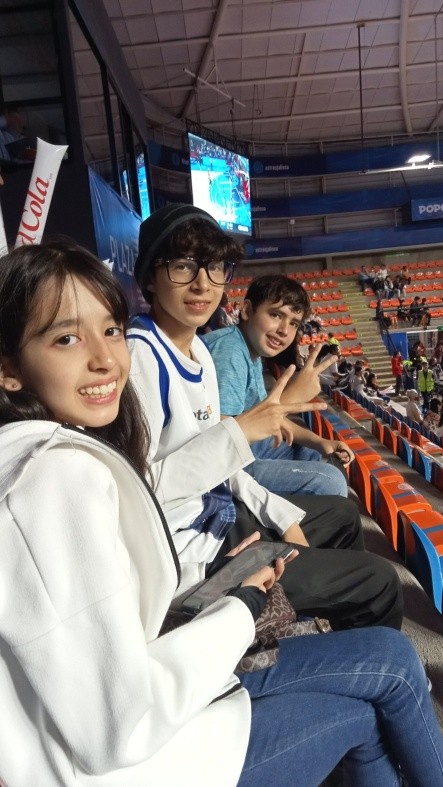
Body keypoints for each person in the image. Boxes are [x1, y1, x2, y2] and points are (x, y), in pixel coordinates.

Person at [1, 243, 442, 787]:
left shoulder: (58, 453)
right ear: (8, 368)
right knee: (389, 661)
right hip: (150, 753)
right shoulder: (55, 477)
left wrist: (227, 575)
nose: (105, 359)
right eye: (66, 338)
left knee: (379, 670)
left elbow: (115, 597)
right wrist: (240, 605)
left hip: (177, 642)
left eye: (110, 330)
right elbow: (119, 728)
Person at [128, 204, 403, 632]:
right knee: (381, 582)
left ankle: (311, 629)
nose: (203, 283)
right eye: (183, 266)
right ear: (149, 277)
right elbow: (137, 495)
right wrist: (238, 432)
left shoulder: (197, 350)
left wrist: (281, 514)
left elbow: (225, 466)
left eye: (215, 268)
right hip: (197, 552)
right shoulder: (138, 357)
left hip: (220, 515)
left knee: (343, 515)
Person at [203, 274, 351, 499]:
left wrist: (322, 442)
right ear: (247, 310)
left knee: (308, 452)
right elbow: (222, 441)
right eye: (276, 315)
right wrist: (293, 397)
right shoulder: (230, 351)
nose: (284, 330)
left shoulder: (249, 349)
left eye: (293, 323)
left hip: (241, 447)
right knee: (331, 481)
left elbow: (269, 419)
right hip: (223, 468)